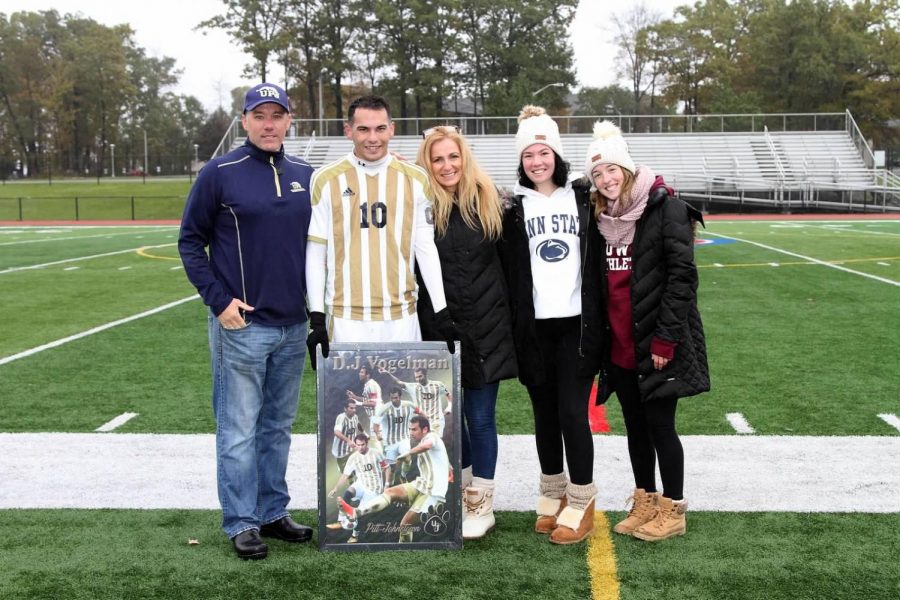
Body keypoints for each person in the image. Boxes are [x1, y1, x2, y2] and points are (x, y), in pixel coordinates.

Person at [178, 83, 314, 560]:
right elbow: (190, 242)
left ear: (289, 120)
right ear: (245, 121)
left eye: (278, 115)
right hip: (242, 326)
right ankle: (241, 520)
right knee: (238, 430)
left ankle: (273, 512)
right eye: (260, 115)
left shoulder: (305, 174)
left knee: (277, 426)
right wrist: (219, 302)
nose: (269, 123)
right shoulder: (220, 172)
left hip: (293, 325)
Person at [585, 120, 709, 542]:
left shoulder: (664, 207)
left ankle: (673, 508)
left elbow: (682, 279)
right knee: (636, 430)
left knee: (661, 428)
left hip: (655, 344)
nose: (606, 180)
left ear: (628, 168)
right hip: (620, 345)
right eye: (597, 174)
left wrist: (665, 339)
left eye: (612, 170)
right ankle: (645, 499)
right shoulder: (603, 218)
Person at [501, 105, 604, 545]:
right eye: (529, 155)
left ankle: (581, 501)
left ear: (557, 156)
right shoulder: (511, 206)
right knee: (544, 416)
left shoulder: (582, 197)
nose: (537, 161)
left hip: (577, 325)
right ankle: (552, 491)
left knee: (571, 414)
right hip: (534, 328)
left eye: (543, 152)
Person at [415, 126, 517, 540]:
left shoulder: (491, 201)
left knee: (480, 417)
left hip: (488, 326)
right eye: (437, 159)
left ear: (464, 158)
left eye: (453, 157)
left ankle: (482, 501)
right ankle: (463, 490)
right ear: (428, 163)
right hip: (438, 327)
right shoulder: (421, 205)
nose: (446, 166)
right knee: (447, 421)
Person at [304, 95, 457, 365]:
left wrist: (441, 311)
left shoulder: (416, 179)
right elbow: (316, 251)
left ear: (392, 129)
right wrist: (317, 318)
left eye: (380, 128)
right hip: (345, 318)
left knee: (403, 404)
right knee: (348, 405)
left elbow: (425, 249)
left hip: (401, 317)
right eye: (363, 129)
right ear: (348, 130)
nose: (372, 137)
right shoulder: (325, 179)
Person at [338, 414, 449, 544]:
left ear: (424, 430)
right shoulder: (422, 443)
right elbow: (425, 457)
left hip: (433, 492)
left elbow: (427, 445)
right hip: (421, 484)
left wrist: (408, 453)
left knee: (405, 525)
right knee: (389, 492)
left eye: (414, 429)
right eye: (409, 429)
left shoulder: (431, 437)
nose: (411, 432)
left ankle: (405, 552)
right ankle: (356, 511)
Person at [327, 433, 389, 543]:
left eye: (362, 445)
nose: (360, 447)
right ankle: (341, 521)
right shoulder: (353, 458)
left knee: (359, 513)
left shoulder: (376, 453)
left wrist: (387, 485)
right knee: (347, 494)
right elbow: (345, 475)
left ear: (367, 443)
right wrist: (336, 488)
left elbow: (387, 468)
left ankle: (355, 535)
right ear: (355, 445)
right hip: (361, 484)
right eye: (358, 445)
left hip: (374, 488)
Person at [380, 367, 452, 437]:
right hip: (422, 422)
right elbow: (399, 382)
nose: (418, 379)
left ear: (425, 374)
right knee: (426, 444)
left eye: (420, 376)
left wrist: (449, 407)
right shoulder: (413, 387)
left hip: (436, 420)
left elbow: (448, 394)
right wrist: (388, 374)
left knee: (433, 442)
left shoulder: (438, 384)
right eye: (416, 377)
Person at [376, 387, 417, 485]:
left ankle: (403, 476)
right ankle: (391, 483)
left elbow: (419, 411)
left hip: (404, 438)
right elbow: (375, 423)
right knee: (392, 468)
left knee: (407, 458)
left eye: (396, 397)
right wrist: (378, 433)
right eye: (392, 398)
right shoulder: (384, 409)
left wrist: (426, 422)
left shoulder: (409, 405)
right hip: (390, 442)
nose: (394, 400)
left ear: (400, 396)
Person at [346, 364, 383, 451]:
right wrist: (354, 397)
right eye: (360, 372)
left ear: (368, 375)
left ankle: (384, 463)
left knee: (378, 444)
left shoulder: (371, 385)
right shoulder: (368, 384)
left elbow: (374, 403)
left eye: (362, 372)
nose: (359, 374)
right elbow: (367, 399)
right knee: (377, 444)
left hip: (377, 418)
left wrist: (358, 403)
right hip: (374, 418)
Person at [332, 398, 360, 474]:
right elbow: (336, 432)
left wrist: (365, 433)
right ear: (345, 408)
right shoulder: (341, 418)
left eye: (355, 408)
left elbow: (358, 425)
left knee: (356, 470)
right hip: (341, 453)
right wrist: (348, 440)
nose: (354, 410)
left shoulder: (355, 417)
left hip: (351, 449)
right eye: (351, 408)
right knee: (347, 474)